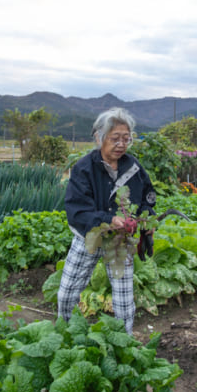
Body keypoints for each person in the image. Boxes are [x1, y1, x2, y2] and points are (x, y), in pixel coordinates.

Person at [57, 107, 156, 335]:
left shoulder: (134, 168)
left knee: (123, 300)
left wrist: (146, 219)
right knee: (67, 293)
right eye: (115, 138)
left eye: (126, 138)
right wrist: (109, 219)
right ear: (99, 138)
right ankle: (66, 335)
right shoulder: (84, 169)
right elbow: (78, 210)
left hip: (120, 241)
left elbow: (147, 198)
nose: (121, 144)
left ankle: (125, 344)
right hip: (88, 238)